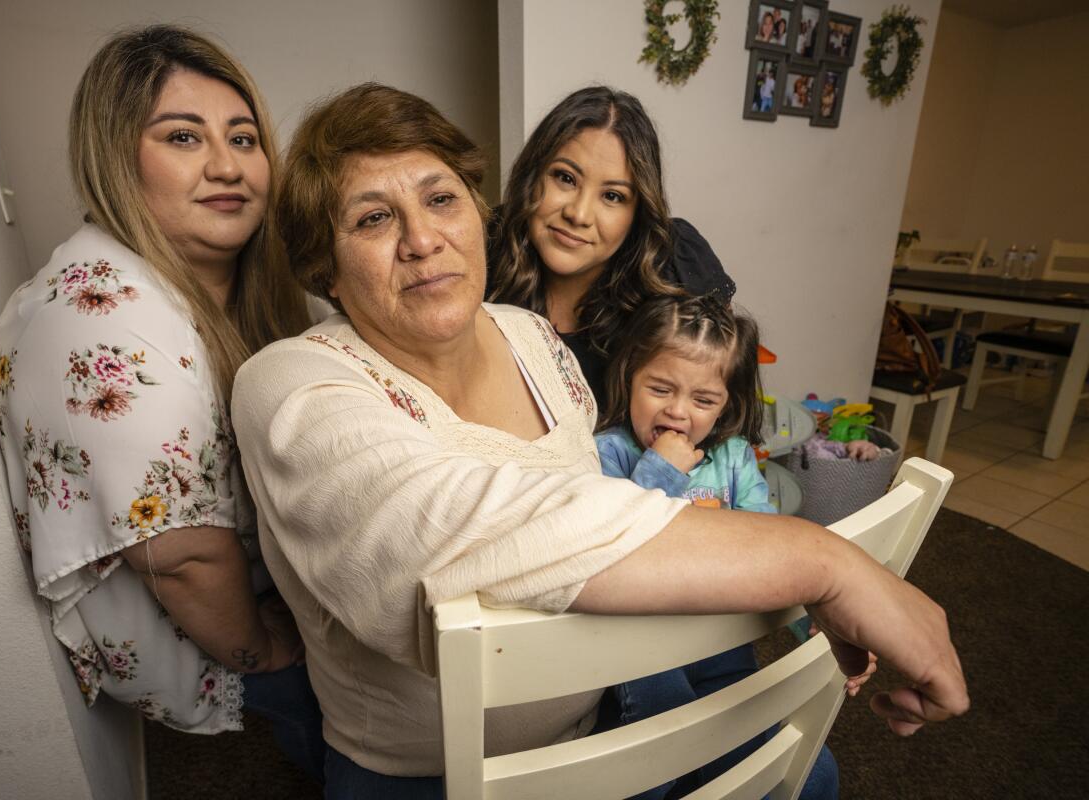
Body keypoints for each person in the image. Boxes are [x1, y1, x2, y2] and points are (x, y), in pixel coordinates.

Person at [232, 82, 968, 798]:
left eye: (440, 198)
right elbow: (449, 533)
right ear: (322, 265)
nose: (423, 239)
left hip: (609, 698)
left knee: (808, 775)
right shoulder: (290, 383)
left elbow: (598, 500)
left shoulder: (528, 335)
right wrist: (825, 563)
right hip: (436, 772)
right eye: (372, 219)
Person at [0, 24, 323, 779]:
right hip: (220, 678)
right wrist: (266, 653)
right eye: (183, 137)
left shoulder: (183, 284)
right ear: (116, 154)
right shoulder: (105, 319)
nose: (227, 165)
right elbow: (182, 558)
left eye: (243, 137)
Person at [594, 296, 875, 799]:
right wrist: (659, 470)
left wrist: (815, 620)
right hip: (642, 657)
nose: (677, 412)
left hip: (723, 650)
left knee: (814, 775)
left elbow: (771, 550)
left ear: (727, 403)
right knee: (662, 751)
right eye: (659, 388)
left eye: (703, 400)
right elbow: (612, 543)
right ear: (628, 378)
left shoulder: (733, 457)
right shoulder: (608, 451)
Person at [488, 85, 736, 402]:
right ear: (533, 175)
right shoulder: (482, 246)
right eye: (565, 178)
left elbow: (718, 408)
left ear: (637, 213)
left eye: (612, 196)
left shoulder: (678, 265)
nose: (578, 214)